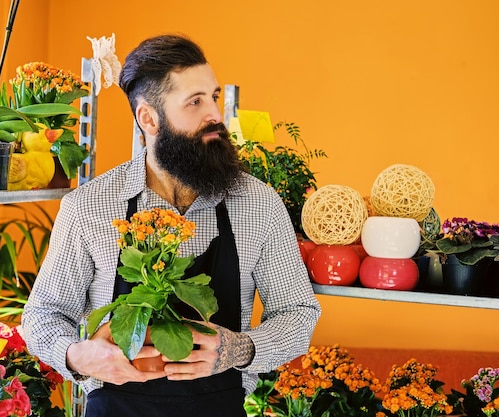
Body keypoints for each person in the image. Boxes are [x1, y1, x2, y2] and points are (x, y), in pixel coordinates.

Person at [22, 34, 321, 417]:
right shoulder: (89, 207)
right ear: (149, 118)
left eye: (213, 97)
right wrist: (76, 354)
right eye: (195, 102)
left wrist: (239, 349)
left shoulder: (259, 204)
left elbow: (297, 312)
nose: (214, 114)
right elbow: (43, 315)